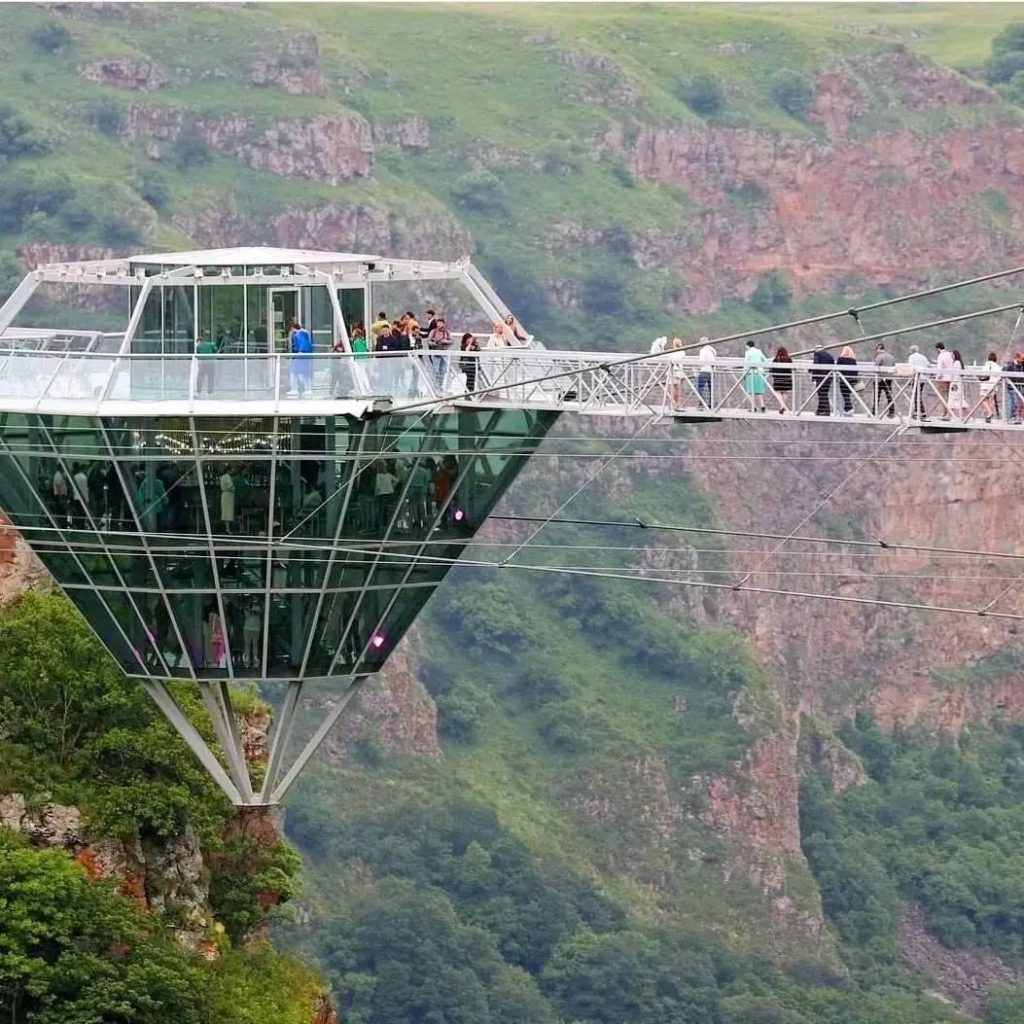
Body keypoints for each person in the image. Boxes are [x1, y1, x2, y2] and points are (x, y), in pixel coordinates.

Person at [290, 320, 314, 396]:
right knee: (306, 374)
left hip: (300, 356)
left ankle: (295, 389)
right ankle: (308, 389)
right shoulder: (305, 334)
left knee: (294, 373)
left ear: (293, 328)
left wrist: (298, 352)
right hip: (307, 357)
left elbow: (299, 346)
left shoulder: (298, 335)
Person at [427, 316, 452, 388]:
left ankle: (440, 386)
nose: (439, 325)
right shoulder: (433, 331)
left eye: (440, 323)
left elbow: (451, 341)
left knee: (443, 371)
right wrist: (434, 343)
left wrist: (445, 341)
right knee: (436, 370)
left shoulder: (447, 332)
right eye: (438, 323)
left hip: (444, 353)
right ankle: (434, 386)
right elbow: (428, 341)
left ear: (443, 324)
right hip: (436, 353)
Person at [743, 339, 767, 412]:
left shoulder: (748, 352)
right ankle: (762, 406)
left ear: (748, 346)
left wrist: (744, 374)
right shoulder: (759, 351)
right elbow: (765, 360)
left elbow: (746, 364)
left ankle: (754, 407)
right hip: (759, 372)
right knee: (759, 391)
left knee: (751, 391)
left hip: (751, 373)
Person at [811, 346, 835, 416]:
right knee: (824, 393)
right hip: (828, 377)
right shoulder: (829, 355)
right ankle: (820, 410)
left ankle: (826, 411)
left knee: (821, 394)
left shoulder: (817, 354)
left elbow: (816, 365)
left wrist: (813, 377)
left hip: (820, 377)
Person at [873, 343, 895, 417]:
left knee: (876, 396)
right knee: (889, 396)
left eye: (877, 349)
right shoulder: (891, 356)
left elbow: (876, 367)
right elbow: (894, 366)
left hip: (879, 379)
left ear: (879, 348)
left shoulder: (879, 356)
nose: (876, 351)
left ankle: (874, 411)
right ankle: (892, 411)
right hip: (889, 379)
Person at [908, 344, 929, 419]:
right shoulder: (923, 357)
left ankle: (919, 412)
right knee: (918, 394)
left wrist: (910, 378)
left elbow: (911, 368)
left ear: (911, 351)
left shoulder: (912, 357)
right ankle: (920, 411)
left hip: (916, 378)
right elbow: (927, 365)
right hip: (923, 378)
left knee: (916, 395)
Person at [374, 460, 398, 529]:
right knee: (387, 509)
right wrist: (392, 486)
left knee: (381, 510)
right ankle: (387, 524)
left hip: (382, 494)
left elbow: (378, 486)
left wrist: (375, 493)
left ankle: (380, 524)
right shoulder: (389, 475)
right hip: (390, 494)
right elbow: (396, 480)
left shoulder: (379, 475)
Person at [981, 350, 1002, 422]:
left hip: (985, 385)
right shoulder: (997, 366)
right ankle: (989, 415)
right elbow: (999, 376)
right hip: (993, 385)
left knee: (983, 399)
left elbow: (982, 374)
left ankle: (989, 413)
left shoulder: (986, 365)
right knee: (991, 400)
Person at [836, 345, 858, 415]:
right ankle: (847, 409)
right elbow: (856, 371)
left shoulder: (840, 359)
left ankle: (849, 408)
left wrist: (837, 378)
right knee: (847, 395)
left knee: (845, 395)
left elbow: (837, 369)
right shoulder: (853, 360)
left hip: (843, 379)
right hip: (851, 380)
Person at [934, 342, 954, 417]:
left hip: (943, 379)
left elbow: (940, 368)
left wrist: (937, 377)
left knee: (943, 396)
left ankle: (945, 412)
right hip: (951, 378)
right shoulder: (950, 354)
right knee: (950, 396)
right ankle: (951, 413)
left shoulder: (940, 356)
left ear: (938, 349)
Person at [771, 346, 793, 413]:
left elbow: (772, 369)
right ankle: (782, 406)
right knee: (785, 392)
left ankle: (782, 405)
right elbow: (791, 369)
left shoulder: (775, 360)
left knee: (778, 392)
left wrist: (774, 375)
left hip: (778, 379)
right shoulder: (789, 359)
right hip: (787, 379)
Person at [195, 330, 217, 396]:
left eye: (197, 342)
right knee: (211, 378)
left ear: (199, 341)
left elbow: (198, 355)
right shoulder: (211, 344)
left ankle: (199, 392)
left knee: (200, 378)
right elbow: (215, 350)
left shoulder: (199, 346)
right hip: (211, 364)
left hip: (203, 364)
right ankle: (210, 393)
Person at [697, 336, 716, 408]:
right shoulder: (713, 350)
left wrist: (697, 366)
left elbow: (701, 361)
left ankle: (702, 403)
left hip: (704, 371)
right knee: (711, 389)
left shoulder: (703, 350)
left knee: (700, 388)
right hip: (712, 371)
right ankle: (711, 403)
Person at [948, 348, 967, 420]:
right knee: (958, 399)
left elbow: (954, 374)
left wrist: (953, 384)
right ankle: (951, 415)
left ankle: (955, 416)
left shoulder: (956, 363)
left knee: (954, 398)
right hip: (958, 383)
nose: (951, 356)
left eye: (952, 355)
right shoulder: (959, 362)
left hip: (955, 384)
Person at [243, 600, 261, 671]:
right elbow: (247, 616)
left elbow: (257, 613)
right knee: (247, 644)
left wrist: (250, 610)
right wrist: (248, 609)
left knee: (255, 644)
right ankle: (247, 660)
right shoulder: (246, 608)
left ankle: (255, 661)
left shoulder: (258, 607)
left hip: (256, 628)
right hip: (247, 628)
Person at [219, 468, 235, 534]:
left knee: (226, 512)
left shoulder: (223, 477)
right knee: (228, 512)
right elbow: (230, 486)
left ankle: (227, 528)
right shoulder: (227, 477)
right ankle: (227, 529)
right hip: (228, 496)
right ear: (229, 470)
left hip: (225, 495)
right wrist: (234, 489)